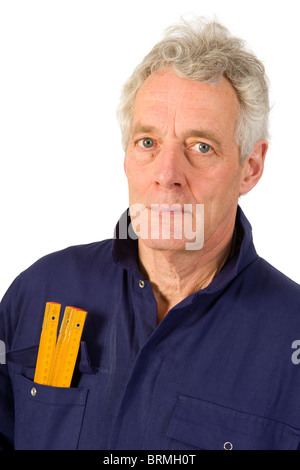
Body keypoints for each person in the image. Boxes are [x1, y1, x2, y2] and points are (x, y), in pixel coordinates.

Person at [1, 16, 300, 451]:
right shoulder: (40, 290)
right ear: (126, 155)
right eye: (148, 142)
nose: (167, 175)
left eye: (201, 147)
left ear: (250, 168)